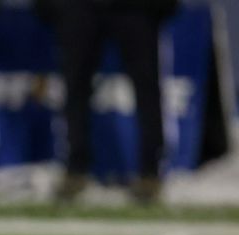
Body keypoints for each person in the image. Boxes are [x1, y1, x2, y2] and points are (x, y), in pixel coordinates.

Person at [37, 0, 181, 204]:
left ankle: (150, 172)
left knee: (147, 88)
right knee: (74, 88)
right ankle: (75, 168)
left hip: (135, 8)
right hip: (81, 7)